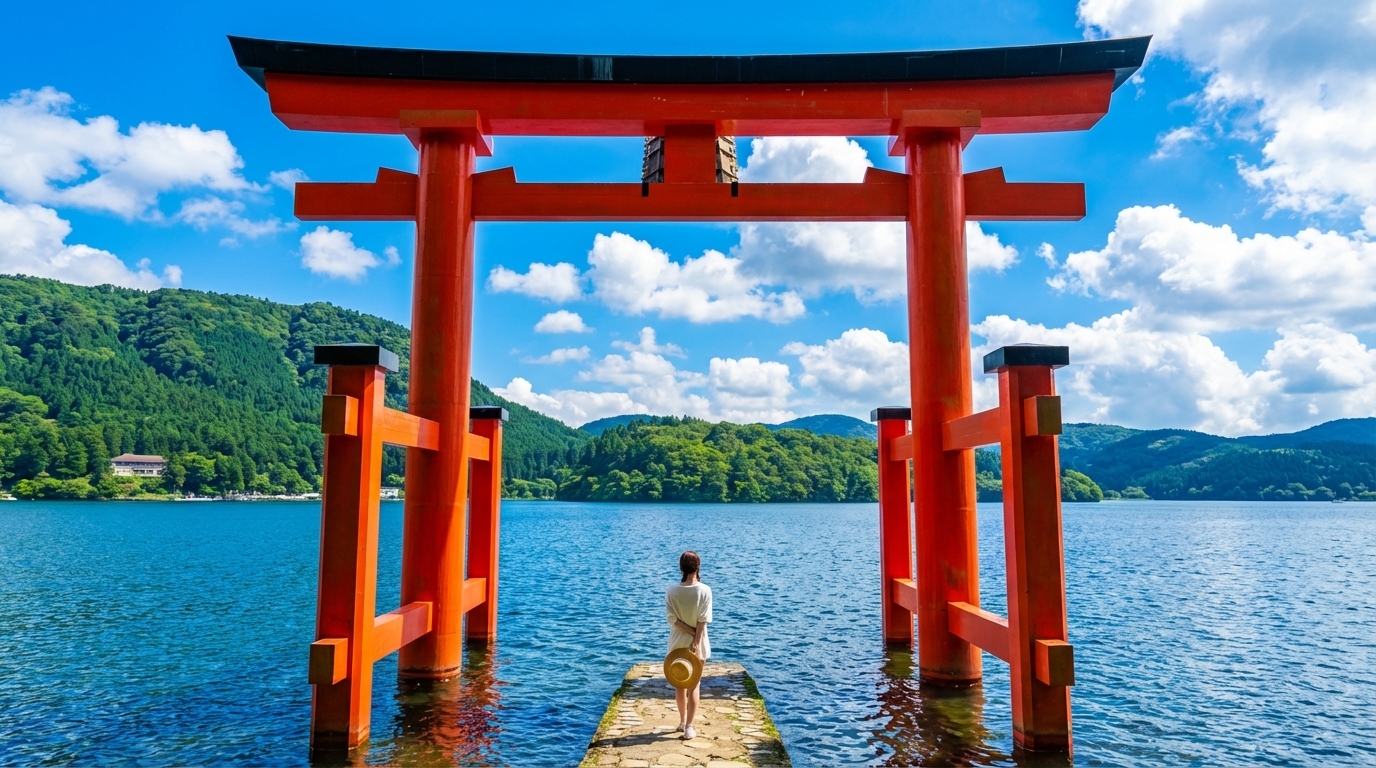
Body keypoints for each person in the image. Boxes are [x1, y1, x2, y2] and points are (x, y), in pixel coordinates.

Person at [666, 550, 712, 741]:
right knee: (694, 685)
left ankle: (682, 721)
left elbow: (672, 619)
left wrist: (689, 634)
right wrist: (696, 639)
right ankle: (690, 727)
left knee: (679, 685)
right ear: (698, 567)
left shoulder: (671, 590)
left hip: (677, 643)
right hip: (698, 644)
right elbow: (702, 621)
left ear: (681, 568)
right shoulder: (704, 590)